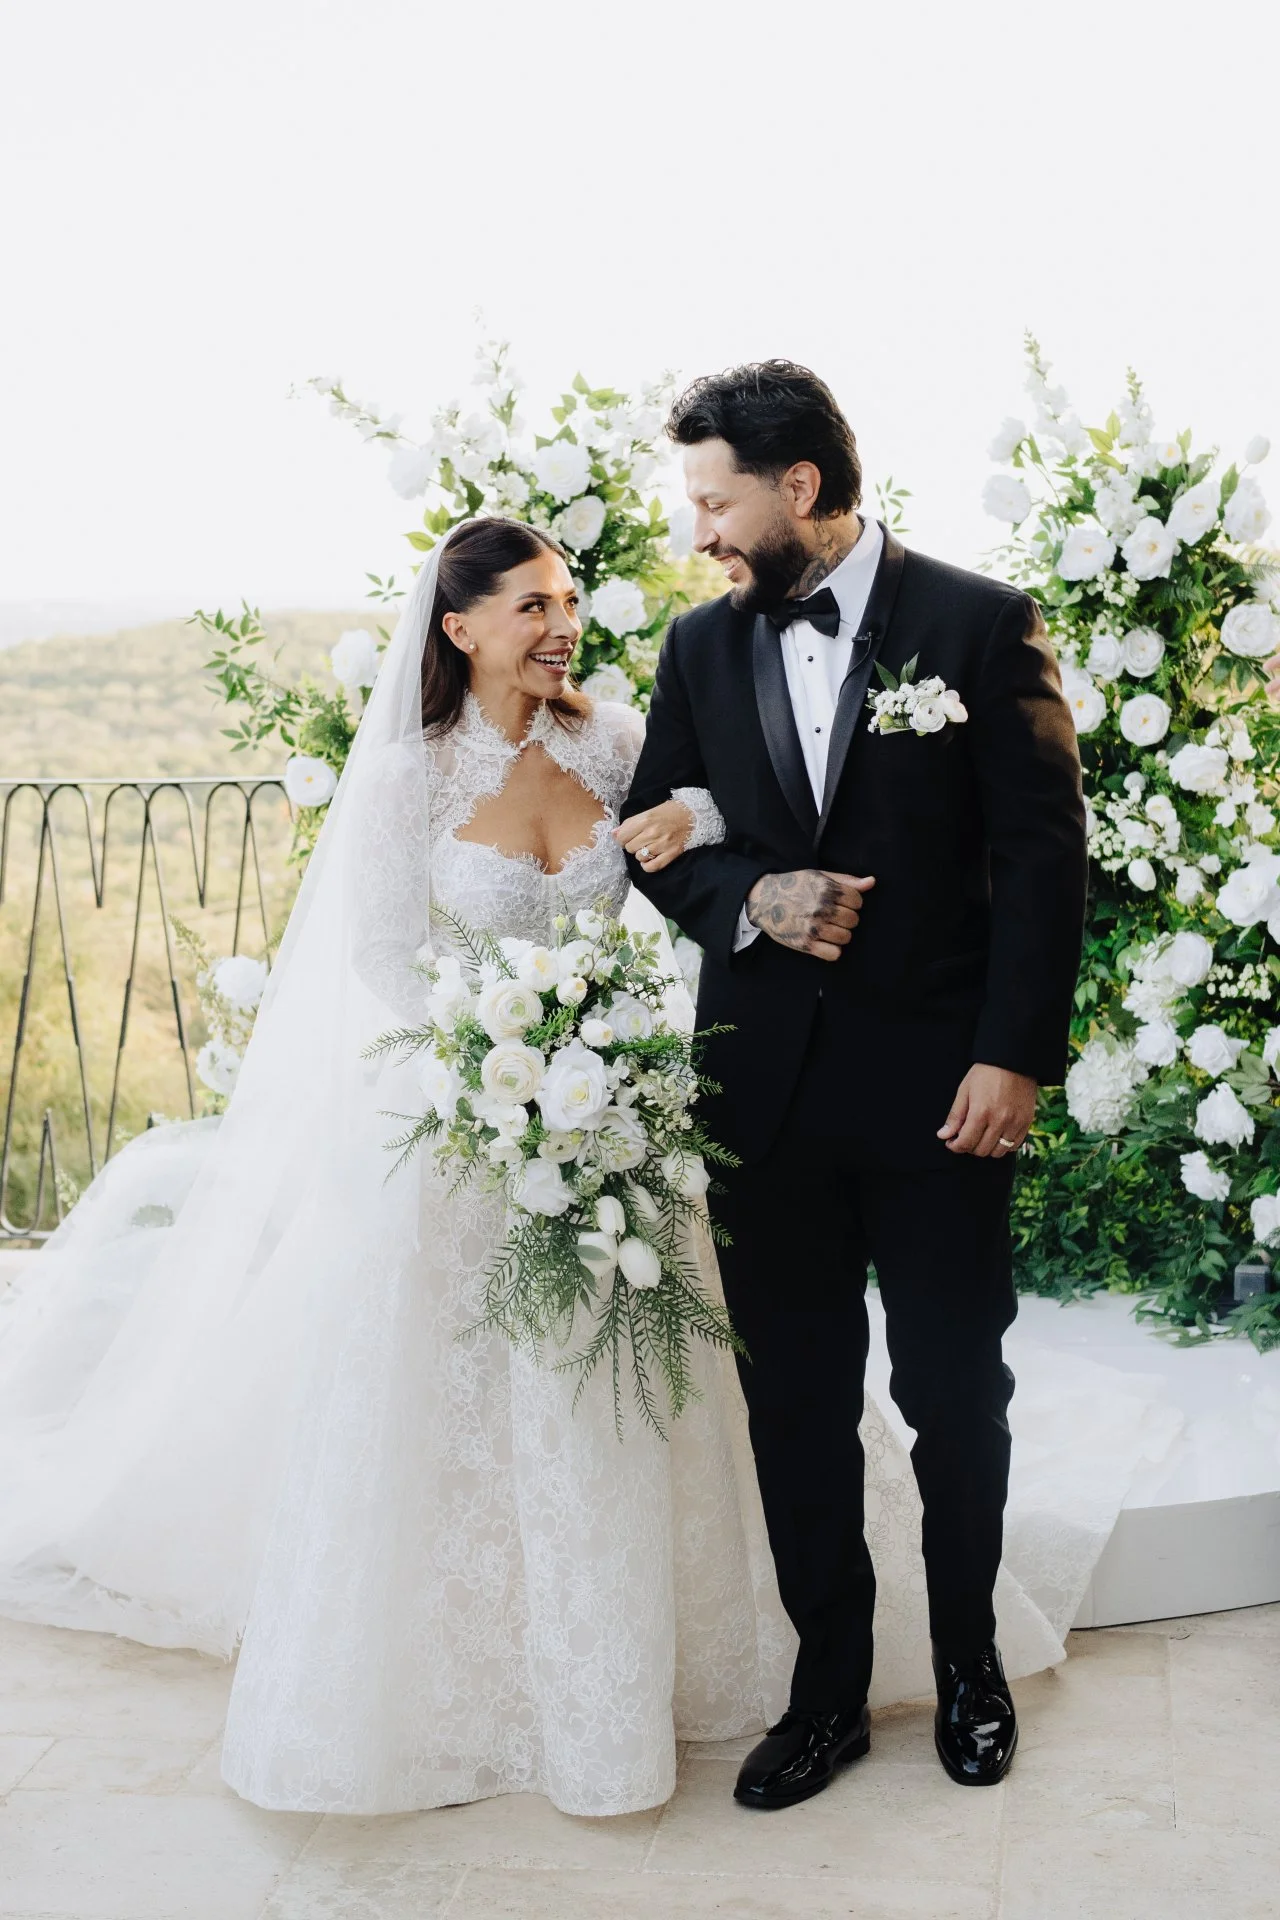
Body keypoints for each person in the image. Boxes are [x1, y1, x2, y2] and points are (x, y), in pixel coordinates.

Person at [620, 361, 1088, 1806]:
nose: (701, 532)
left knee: (957, 1395)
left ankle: (968, 1671)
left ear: (800, 490)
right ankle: (826, 1692)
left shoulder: (977, 621)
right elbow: (660, 837)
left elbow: (1046, 858)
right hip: (760, 1099)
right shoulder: (700, 649)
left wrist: (1015, 1055)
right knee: (797, 1411)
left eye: (717, 502)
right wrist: (748, 896)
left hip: (946, 1095)